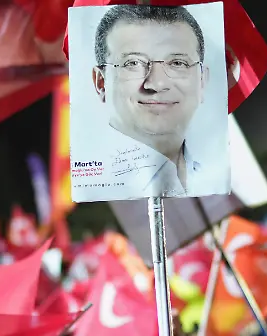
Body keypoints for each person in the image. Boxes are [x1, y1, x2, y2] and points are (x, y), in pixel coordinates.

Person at [88, 5, 218, 199]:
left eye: (177, 63)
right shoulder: (100, 192)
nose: (156, 83)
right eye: (133, 63)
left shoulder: (212, 176)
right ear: (101, 82)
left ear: (201, 80)